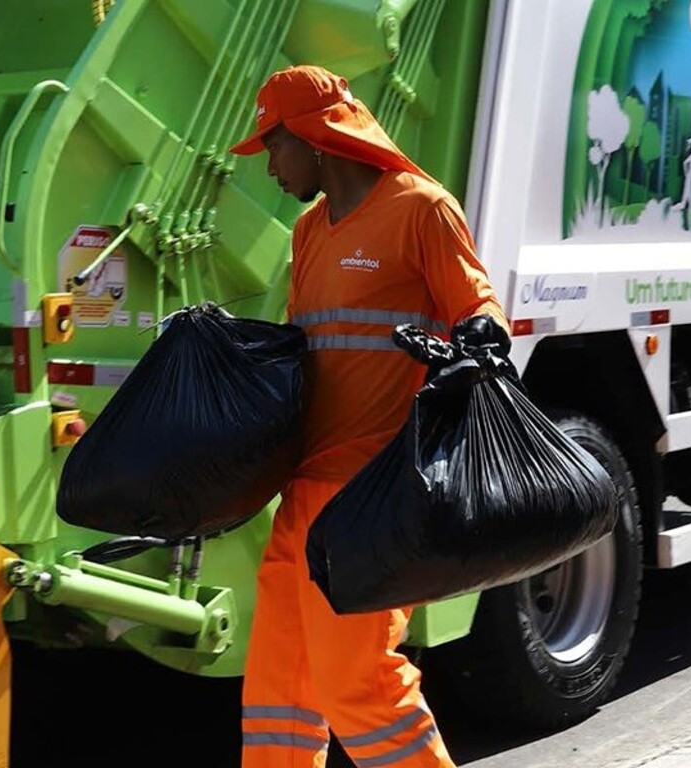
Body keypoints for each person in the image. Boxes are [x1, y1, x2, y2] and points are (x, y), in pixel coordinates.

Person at [229, 64, 509, 768]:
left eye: (273, 146)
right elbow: (312, 346)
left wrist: (476, 337)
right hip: (304, 497)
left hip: (374, 499)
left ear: (316, 138)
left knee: (358, 684)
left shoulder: (421, 209)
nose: (268, 166)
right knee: (277, 688)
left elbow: (479, 308)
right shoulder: (308, 231)